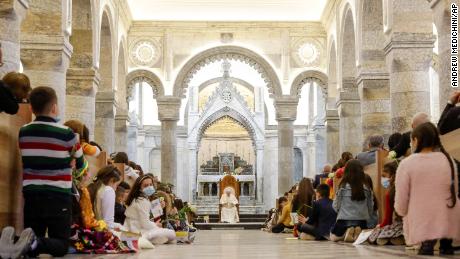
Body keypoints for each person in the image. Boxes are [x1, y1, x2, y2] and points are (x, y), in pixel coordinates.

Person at [16, 86, 87, 257]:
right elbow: (81, 165)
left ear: (31, 108)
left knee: (32, 242)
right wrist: (69, 162)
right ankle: (31, 241)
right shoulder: (67, 133)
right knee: (61, 245)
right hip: (58, 195)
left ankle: (22, 241)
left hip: (32, 194)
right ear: (55, 107)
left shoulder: (23, 132)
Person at [395, 122, 460, 255]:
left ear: (416, 140)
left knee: (419, 206)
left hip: (423, 219)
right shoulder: (448, 160)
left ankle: (427, 243)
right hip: (448, 217)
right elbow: (455, 190)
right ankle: (445, 244)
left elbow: (401, 199)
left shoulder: (407, 164)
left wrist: (401, 212)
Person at [124, 175, 176, 245]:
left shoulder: (140, 199)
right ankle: (143, 239)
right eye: (145, 186)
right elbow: (145, 223)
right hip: (137, 231)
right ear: (139, 188)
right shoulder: (142, 200)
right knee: (171, 233)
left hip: (134, 229)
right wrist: (156, 226)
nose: (149, 187)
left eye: (150, 185)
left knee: (164, 235)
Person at [331, 160, 374, 243]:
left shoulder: (342, 187)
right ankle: (356, 234)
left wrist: (341, 212)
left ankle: (346, 233)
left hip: (343, 222)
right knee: (360, 228)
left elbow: (335, 206)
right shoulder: (367, 188)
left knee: (332, 237)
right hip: (362, 222)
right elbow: (370, 209)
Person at [86, 165, 123, 231]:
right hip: (101, 234)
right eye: (117, 185)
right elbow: (108, 222)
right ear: (111, 180)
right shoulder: (108, 190)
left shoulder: (95, 187)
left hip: (92, 231)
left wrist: (117, 225)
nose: (115, 189)